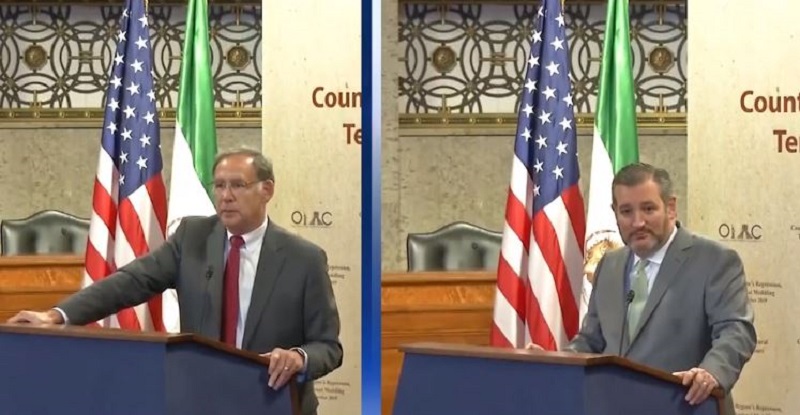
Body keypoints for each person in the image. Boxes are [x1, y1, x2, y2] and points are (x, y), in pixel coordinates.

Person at [7, 148, 343, 415]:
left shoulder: (304, 259)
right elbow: (131, 281)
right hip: (200, 401)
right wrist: (57, 315)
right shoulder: (193, 237)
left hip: (271, 402)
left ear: (266, 190)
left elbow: (328, 347)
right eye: (219, 185)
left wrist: (299, 357)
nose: (225, 196)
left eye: (238, 185)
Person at [529, 163, 756, 415]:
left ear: (670, 208)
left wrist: (711, 372)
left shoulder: (714, 260)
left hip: (685, 406)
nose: (638, 222)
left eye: (648, 209)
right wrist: (556, 364)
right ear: (615, 213)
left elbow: (736, 330)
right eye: (626, 211)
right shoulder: (609, 264)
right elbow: (591, 340)